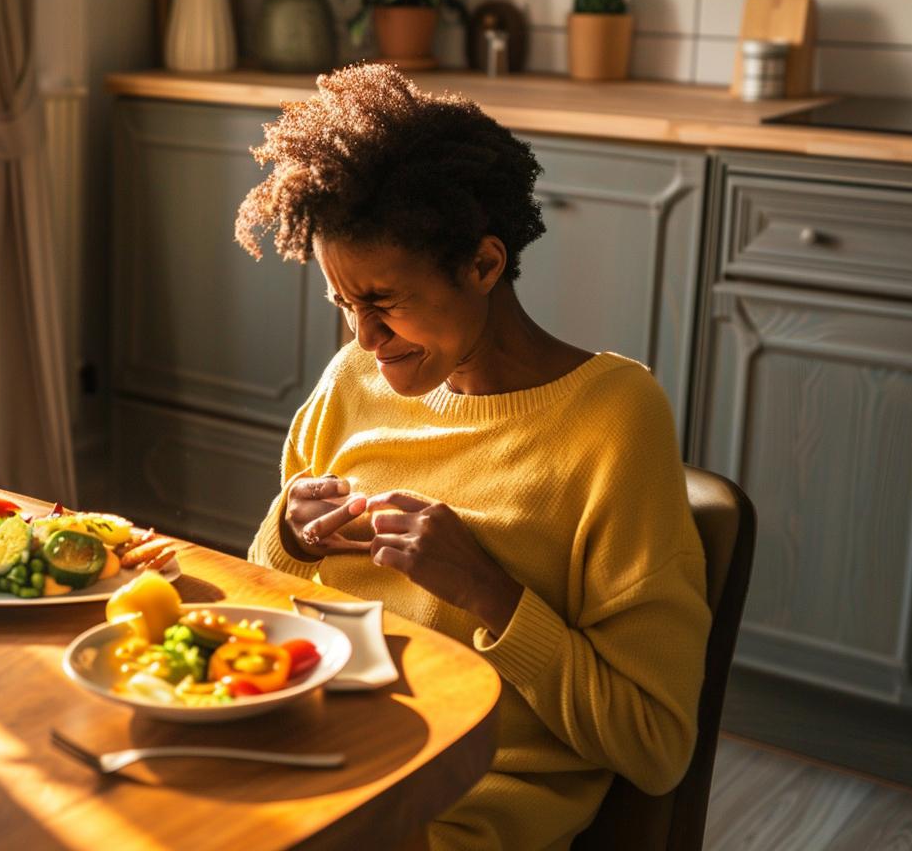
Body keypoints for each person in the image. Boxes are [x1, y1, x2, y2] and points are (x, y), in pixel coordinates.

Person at [234, 64, 711, 851]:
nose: (363, 339)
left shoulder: (616, 420)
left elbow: (656, 747)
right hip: (304, 764)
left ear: (484, 265)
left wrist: (490, 591)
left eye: (383, 303)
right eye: (344, 304)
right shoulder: (353, 377)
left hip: (443, 817)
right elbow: (267, 602)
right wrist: (287, 534)